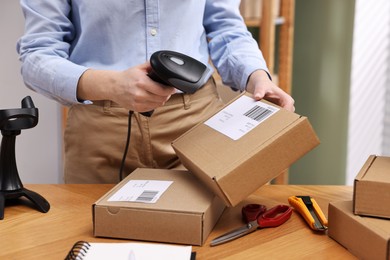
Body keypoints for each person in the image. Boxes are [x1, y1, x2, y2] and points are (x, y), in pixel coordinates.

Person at [17, 1, 295, 184]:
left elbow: (226, 27)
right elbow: (36, 55)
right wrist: (112, 85)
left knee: (206, 241)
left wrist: (257, 76)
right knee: (95, 238)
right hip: (100, 130)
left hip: (195, 123)